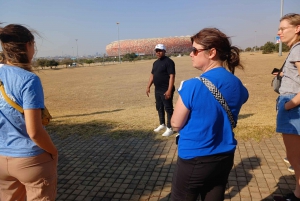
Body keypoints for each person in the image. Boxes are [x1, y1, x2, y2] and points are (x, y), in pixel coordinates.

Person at [170, 28, 248, 201]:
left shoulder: (192, 86)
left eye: (195, 50)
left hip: (195, 158)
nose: (191, 54)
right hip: (224, 156)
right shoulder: (237, 83)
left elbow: (175, 124)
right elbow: (243, 97)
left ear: (212, 52)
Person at [0, 24, 58, 201]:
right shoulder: (29, 79)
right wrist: (53, 152)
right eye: (33, 45)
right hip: (31, 160)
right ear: (27, 45)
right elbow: (34, 131)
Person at [275, 13, 300, 201]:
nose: (279, 32)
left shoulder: (298, 49)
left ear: (297, 28)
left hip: (293, 105)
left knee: (294, 157)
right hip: (292, 103)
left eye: (283, 28)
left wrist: (289, 105)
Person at [146, 44, 176, 137]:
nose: (158, 52)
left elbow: (172, 76)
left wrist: (169, 90)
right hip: (157, 89)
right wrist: (148, 86)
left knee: (168, 108)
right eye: (156, 51)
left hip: (166, 89)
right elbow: (152, 75)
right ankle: (162, 124)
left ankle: (170, 128)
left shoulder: (169, 62)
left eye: (160, 50)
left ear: (164, 51)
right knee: (159, 107)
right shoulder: (155, 63)